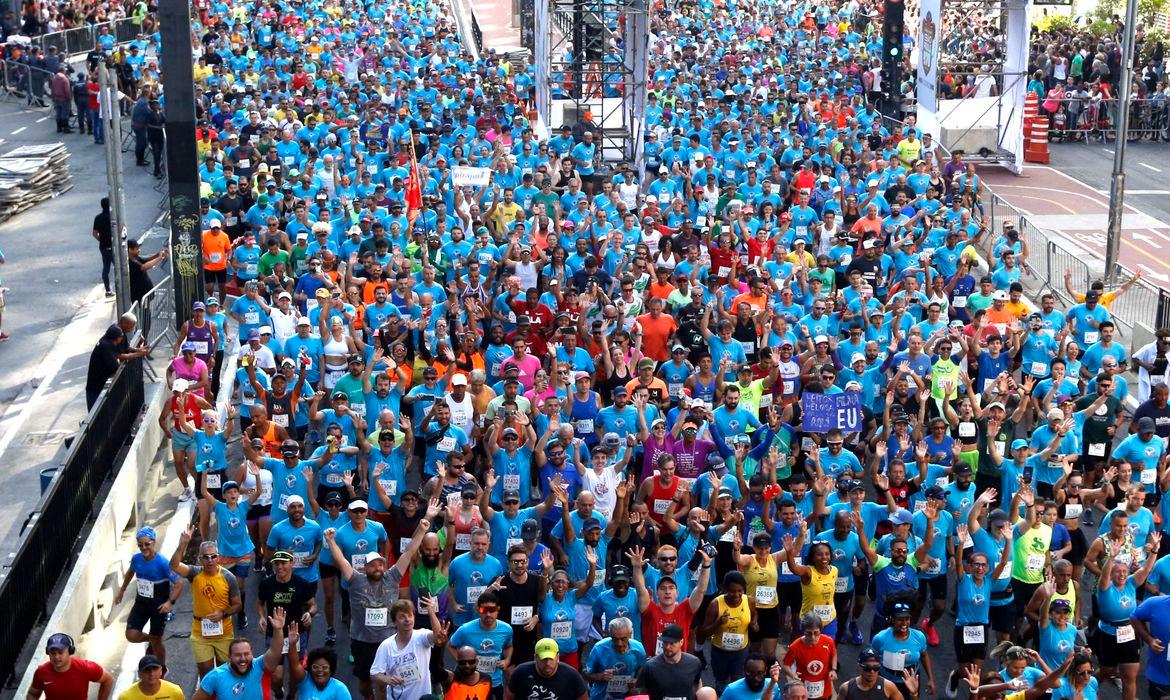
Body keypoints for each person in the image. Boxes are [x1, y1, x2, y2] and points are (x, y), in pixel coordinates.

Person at [169, 524, 243, 678]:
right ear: (200, 559)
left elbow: (237, 605)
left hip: (224, 633)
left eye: (213, 556)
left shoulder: (228, 577)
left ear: (218, 557)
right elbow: (174, 565)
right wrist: (183, 543)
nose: (210, 560)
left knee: (226, 675)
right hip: (200, 634)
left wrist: (222, 613)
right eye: (206, 557)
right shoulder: (194, 573)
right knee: (207, 677)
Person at [112, 526, 184, 665]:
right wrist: (122, 590)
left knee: (157, 642)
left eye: (147, 544)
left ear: (154, 542)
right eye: (140, 545)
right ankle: (151, 639)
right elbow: (130, 572)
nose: (143, 548)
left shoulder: (162, 562)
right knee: (131, 635)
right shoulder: (136, 559)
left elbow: (179, 583)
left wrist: (170, 603)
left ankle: (162, 668)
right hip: (141, 602)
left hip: (159, 605)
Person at [191, 607, 292, 699]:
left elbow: (276, 650)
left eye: (246, 654)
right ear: (229, 657)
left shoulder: (259, 666)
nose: (243, 658)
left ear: (251, 654)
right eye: (238, 655)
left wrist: (278, 630)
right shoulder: (214, 677)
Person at [634, 623, 715, 700]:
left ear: (681, 642)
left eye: (672, 643)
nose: (667, 647)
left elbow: (697, 684)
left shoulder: (694, 663)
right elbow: (639, 692)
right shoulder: (650, 667)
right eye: (665, 642)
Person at [26, 633, 114, 700]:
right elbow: (32, 694)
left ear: (70, 651)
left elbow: (108, 680)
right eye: (53, 653)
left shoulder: (86, 668)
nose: (56, 657)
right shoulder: (41, 671)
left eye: (60, 652)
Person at [85, 323, 149, 409]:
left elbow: (121, 354)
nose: (122, 338)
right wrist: (137, 354)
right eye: (121, 337)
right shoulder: (106, 346)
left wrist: (137, 351)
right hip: (95, 389)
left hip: (101, 385)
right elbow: (115, 365)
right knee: (95, 412)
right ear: (116, 338)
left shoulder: (109, 342)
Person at [506, 638, 589, 700]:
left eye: (551, 658)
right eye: (543, 659)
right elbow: (508, 697)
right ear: (535, 658)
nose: (548, 663)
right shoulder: (520, 673)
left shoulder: (572, 676)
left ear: (557, 657)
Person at [116, 655, 185, 700]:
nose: (151, 674)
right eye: (146, 670)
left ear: (161, 671)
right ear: (139, 674)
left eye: (155, 669)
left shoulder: (175, 691)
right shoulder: (126, 697)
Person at [126, 239, 169, 304]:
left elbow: (147, 259)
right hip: (140, 295)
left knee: (147, 311)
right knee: (144, 312)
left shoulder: (135, 257)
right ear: (130, 250)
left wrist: (158, 254)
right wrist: (159, 258)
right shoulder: (130, 262)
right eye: (137, 249)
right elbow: (144, 267)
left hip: (145, 294)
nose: (139, 250)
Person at [93, 197, 114, 298]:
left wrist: (101, 240)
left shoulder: (98, 218)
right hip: (113, 246)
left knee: (106, 268)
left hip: (103, 247)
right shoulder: (113, 217)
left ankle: (108, 290)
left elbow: (94, 233)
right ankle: (122, 288)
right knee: (120, 268)